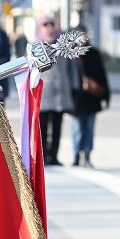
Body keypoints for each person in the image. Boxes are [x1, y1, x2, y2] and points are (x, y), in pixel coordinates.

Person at [68, 24, 111, 167]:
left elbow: (102, 76)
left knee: (89, 127)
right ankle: (76, 155)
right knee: (77, 128)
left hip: (92, 98)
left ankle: (86, 155)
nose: (82, 37)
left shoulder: (94, 53)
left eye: (83, 34)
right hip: (76, 98)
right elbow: (67, 78)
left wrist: (105, 95)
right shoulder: (70, 54)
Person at [35, 13, 73, 166]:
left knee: (57, 126)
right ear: (40, 27)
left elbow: (71, 67)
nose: (49, 27)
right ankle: (44, 155)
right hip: (43, 92)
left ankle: (54, 156)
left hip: (60, 92)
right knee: (43, 126)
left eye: (51, 24)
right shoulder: (35, 46)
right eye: (45, 25)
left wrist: (74, 87)